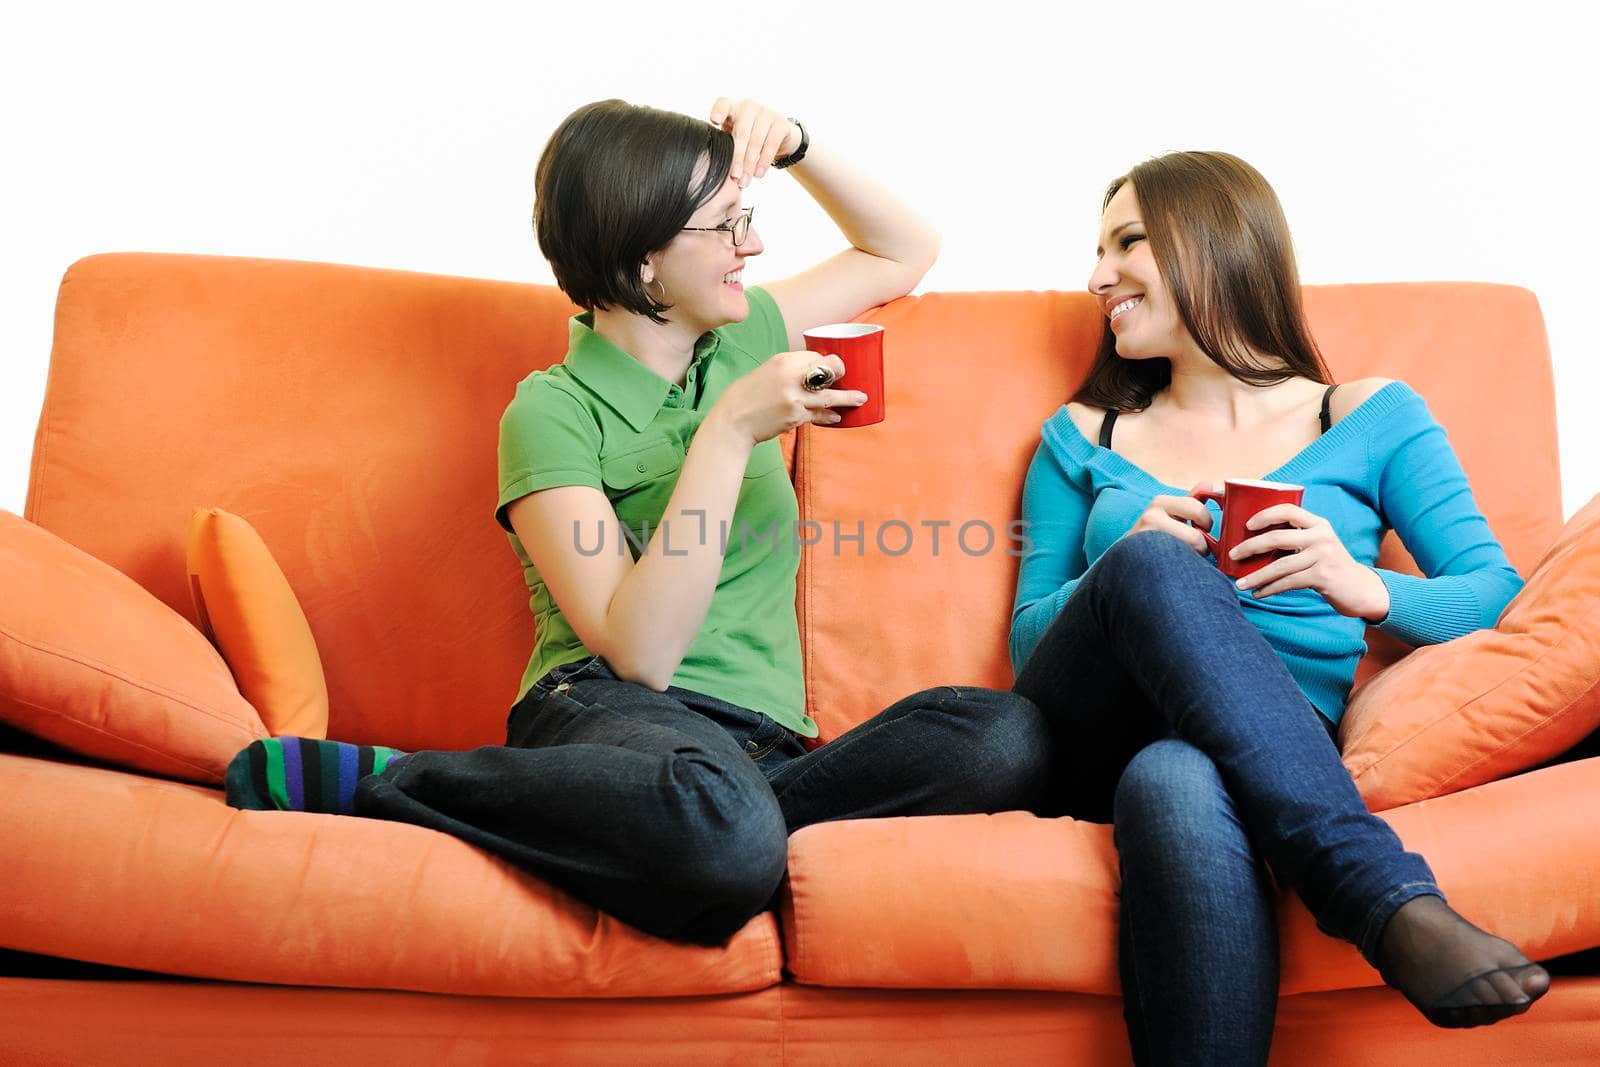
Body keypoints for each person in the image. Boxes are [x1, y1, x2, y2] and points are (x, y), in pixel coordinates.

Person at [224, 97, 1049, 946]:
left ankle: (713, 828)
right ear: (647, 261)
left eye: (747, 221)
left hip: (755, 748)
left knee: (1002, 736)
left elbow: (902, 249)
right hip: (605, 710)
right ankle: (408, 783)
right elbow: (639, 652)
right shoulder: (553, 413)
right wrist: (728, 432)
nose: (753, 247)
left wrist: (799, 145)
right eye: (728, 227)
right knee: (726, 835)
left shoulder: (744, 334)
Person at [1008, 151, 1551, 1063]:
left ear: (1216, 242)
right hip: (1094, 725)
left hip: (1267, 742)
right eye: (1098, 251)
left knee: (1175, 776)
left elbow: (1497, 596)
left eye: (1127, 242)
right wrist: (1119, 554)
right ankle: (1379, 897)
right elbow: (1029, 651)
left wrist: (1363, 587)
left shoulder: (1367, 416)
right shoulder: (1081, 437)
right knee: (1148, 568)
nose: (1098, 277)